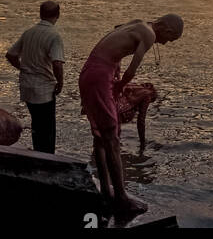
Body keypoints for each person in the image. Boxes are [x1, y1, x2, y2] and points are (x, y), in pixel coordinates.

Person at [78, 15, 184, 215]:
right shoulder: (150, 35)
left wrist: (114, 67)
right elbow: (132, 70)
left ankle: (106, 192)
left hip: (92, 70)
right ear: (166, 29)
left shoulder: (138, 23)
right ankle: (121, 197)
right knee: (111, 138)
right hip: (100, 74)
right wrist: (119, 86)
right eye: (170, 39)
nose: (167, 43)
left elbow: (116, 29)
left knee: (101, 137)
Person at [5, 1, 65, 154]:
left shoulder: (29, 32)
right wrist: (60, 82)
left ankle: (38, 154)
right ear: (57, 15)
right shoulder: (54, 36)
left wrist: (22, 68)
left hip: (27, 85)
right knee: (48, 128)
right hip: (43, 88)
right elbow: (57, 63)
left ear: (40, 14)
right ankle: (47, 158)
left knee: (37, 124)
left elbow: (11, 55)